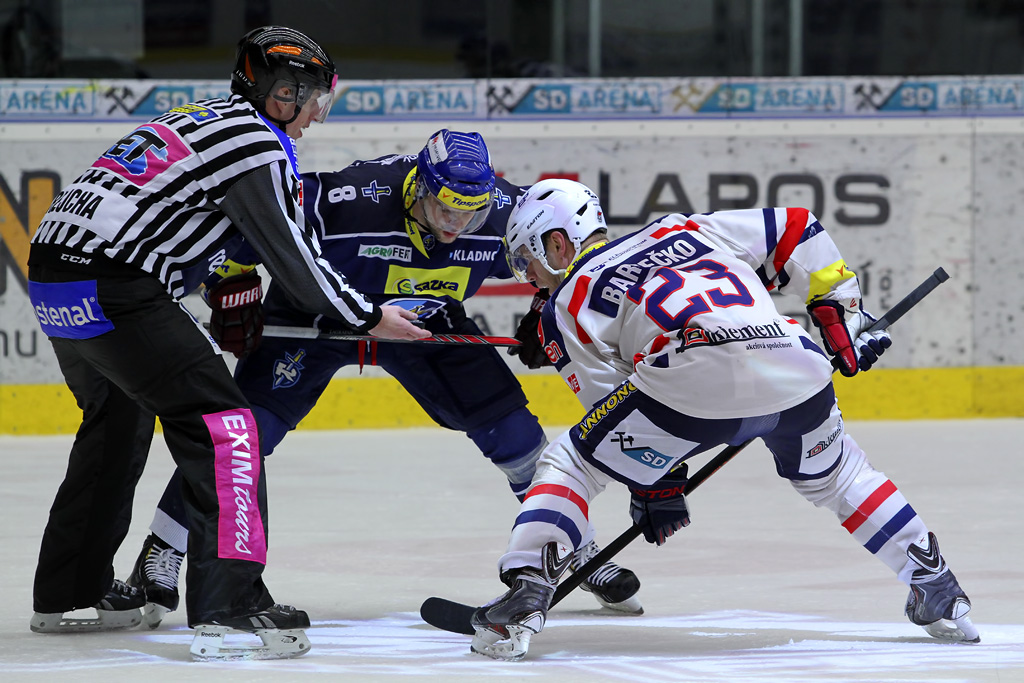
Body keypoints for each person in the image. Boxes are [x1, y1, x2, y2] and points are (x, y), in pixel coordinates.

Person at [123, 130, 645, 630]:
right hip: (318, 318)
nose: (455, 227)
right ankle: (162, 548)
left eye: (471, 214)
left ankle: (575, 547)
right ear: (417, 188)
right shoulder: (346, 200)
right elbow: (250, 220)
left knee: (514, 432)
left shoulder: (508, 211)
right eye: (445, 210)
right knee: (245, 436)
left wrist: (545, 306)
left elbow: (559, 254)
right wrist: (231, 284)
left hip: (425, 322)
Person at [25, 26, 429, 662]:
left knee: (118, 419)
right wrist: (369, 316)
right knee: (229, 430)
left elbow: (166, 215)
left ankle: (68, 593)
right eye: (313, 99)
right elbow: (294, 258)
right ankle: (230, 605)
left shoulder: (199, 120)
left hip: (54, 280)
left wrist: (218, 283)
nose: (315, 115)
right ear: (281, 92)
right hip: (117, 285)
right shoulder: (254, 142)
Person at [467, 179, 979, 661]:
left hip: (690, 381)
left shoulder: (567, 300)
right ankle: (937, 587)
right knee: (842, 475)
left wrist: (657, 482)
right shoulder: (686, 228)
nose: (529, 278)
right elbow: (797, 227)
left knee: (572, 463)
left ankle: (527, 593)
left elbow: (611, 406)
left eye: (527, 260)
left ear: (558, 243)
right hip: (794, 363)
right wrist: (840, 315)